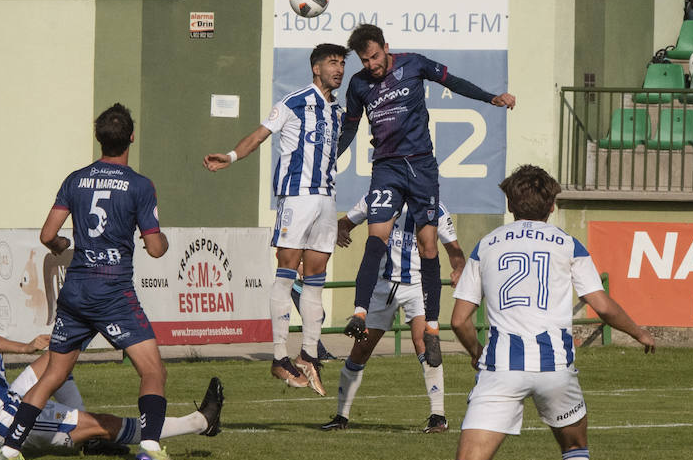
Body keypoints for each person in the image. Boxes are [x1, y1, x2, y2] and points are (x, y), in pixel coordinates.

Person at [412, 165, 654, 460]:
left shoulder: (487, 245)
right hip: (554, 367)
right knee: (575, 448)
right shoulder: (568, 244)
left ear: (509, 204)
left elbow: (460, 320)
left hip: (501, 366)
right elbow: (603, 305)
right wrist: (640, 332)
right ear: (552, 205)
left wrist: (476, 352)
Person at [0, 103, 182, 460]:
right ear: (131, 137)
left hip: (77, 289)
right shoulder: (140, 185)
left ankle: (10, 449)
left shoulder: (75, 179)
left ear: (98, 139)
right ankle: (149, 447)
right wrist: (159, 241)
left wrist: (62, 246)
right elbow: (156, 249)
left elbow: (48, 235)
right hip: (113, 292)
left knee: (53, 374)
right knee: (153, 371)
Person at [336, 23, 515, 366]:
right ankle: (359, 314)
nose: (371, 64)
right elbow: (349, 128)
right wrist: (329, 161)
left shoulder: (413, 64)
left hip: (421, 167)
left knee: (428, 246)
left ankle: (431, 329)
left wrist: (491, 97)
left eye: (375, 56)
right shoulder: (358, 85)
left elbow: (453, 81)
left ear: (386, 47)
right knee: (376, 238)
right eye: (365, 60)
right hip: (386, 167)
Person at [0, 267, 222, 457]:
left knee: (57, 357)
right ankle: (199, 423)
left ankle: (89, 435)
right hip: (6, 420)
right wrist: (24, 347)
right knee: (103, 425)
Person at [205, 44, 347, 393]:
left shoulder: (336, 111)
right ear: (316, 68)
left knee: (315, 276)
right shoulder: (293, 102)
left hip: (327, 199)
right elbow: (260, 134)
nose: (339, 69)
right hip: (296, 197)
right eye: (332, 63)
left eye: (343, 63)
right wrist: (232, 156)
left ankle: (309, 355)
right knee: (286, 271)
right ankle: (279, 355)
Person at [322, 195, 464, 433]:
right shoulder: (379, 198)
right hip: (381, 285)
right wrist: (340, 230)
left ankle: (438, 417)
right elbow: (345, 222)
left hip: (417, 286)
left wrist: (459, 268)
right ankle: (341, 416)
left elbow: (454, 248)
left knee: (426, 343)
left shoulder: (435, 207)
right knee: (362, 348)